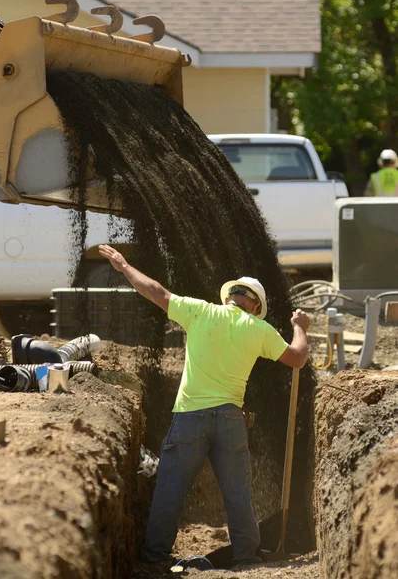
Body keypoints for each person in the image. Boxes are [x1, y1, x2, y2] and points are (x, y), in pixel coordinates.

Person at [98, 243, 310, 567]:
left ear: (229, 297)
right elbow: (297, 358)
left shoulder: (201, 311)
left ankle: (154, 558)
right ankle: (247, 557)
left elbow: (156, 292)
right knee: (238, 493)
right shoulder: (259, 329)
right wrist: (300, 327)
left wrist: (124, 266)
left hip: (190, 418)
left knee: (170, 488)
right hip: (230, 421)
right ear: (255, 307)